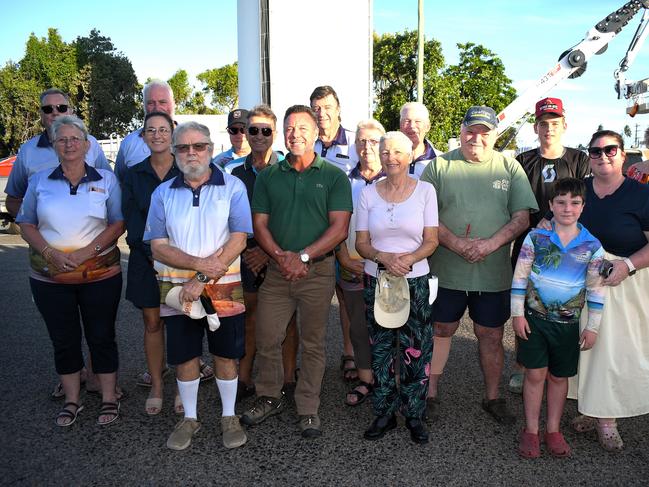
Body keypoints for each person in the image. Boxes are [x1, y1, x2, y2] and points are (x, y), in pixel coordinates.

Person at [419, 106, 538, 425]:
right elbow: (426, 217)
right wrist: (457, 244)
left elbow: (522, 217)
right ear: (461, 130)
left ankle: (493, 397)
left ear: (495, 135)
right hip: (446, 270)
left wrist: (489, 244)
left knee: (490, 334)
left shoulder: (510, 168)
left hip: (492, 273)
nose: (477, 138)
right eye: (471, 131)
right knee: (441, 330)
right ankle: (428, 394)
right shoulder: (439, 167)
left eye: (484, 132)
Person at [241, 105, 352, 438]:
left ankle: (307, 408)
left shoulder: (333, 176)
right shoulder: (269, 176)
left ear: (316, 133)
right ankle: (269, 396)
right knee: (267, 336)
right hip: (277, 272)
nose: (296, 134)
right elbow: (259, 224)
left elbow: (340, 228)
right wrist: (280, 256)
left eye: (303, 128)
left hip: (316, 273)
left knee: (314, 343)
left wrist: (302, 257)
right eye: (290, 128)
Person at [144, 121, 251, 450]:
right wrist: (197, 269)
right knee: (185, 356)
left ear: (211, 149)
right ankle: (190, 418)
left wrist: (201, 279)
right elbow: (158, 246)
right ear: (174, 153)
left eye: (199, 146)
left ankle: (228, 416)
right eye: (184, 148)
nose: (192, 153)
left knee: (225, 355)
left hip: (224, 287)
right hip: (177, 292)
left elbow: (239, 239)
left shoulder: (233, 187)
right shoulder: (162, 193)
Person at [16, 115, 124, 427]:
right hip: (50, 278)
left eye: (75, 139)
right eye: (62, 139)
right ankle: (72, 399)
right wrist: (49, 252)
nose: (69, 144)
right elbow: (26, 223)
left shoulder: (106, 179)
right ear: (54, 146)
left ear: (87, 145)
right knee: (63, 338)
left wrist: (86, 253)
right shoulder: (39, 181)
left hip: (101, 275)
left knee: (101, 336)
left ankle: (107, 397)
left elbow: (118, 222)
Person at [563, 130, 649, 452]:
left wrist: (628, 265)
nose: (603, 157)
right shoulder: (579, 189)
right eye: (595, 152)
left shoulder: (641, 194)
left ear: (623, 155)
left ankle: (608, 419)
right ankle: (589, 406)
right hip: (578, 280)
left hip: (622, 282)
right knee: (583, 348)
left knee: (611, 354)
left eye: (610, 150)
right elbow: (551, 224)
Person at [511, 178, 605, 458]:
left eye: (574, 202)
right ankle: (530, 430)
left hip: (567, 325)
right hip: (534, 320)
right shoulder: (536, 237)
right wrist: (517, 314)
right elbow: (520, 276)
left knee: (558, 377)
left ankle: (552, 429)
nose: (567, 208)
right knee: (535, 374)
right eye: (560, 202)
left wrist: (593, 326)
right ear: (550, 205)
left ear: (583, 207)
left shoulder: (592, 245)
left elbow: (596, 289)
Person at [355, 131, 438, 444]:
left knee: (417, 347)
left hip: (414, 278)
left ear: (410, 156)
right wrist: (383, 258)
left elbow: (432, 240)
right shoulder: (368, 194)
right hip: (377, 279)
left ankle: (415, 414)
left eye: (398, 152)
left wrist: (407, 259)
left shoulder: (425, 191)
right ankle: (385, 412)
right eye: (385, 151)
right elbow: (361, 243)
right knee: (382, 348)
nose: (390, 158)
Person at [508, 97, 591, 394]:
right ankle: (523, 365)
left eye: (555, 123)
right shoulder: (522, 161)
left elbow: (585, 199)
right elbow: (515, 203)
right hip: (530, 245)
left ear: (564, 125)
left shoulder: (580, 159)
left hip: (568, 249)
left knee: (565, 305)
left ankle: (561, 367)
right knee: (526, 305)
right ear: (535, 127)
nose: (549, 129)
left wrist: (551, 219)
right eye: (543, 123)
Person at [229, 105, 300, 399]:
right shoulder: (233, 175)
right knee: (249, 318)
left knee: (288, 320)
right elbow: (230, 220)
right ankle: (244, 376)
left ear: (275, 135)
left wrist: (270, 254)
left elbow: (295, 219)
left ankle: (288, 376)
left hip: (280, 255)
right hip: (245, 256)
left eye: (265, 131)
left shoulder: (289, 172)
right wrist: (250, 250)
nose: (258, 136)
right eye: (252, 130)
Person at [122, 111, 180, 415]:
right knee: (153, 322)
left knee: (183, 322)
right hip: (145, 260)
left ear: (173, 133)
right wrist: (151, 253)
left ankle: (184, 385)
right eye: (150, 130)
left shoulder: (186, 169)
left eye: (163, 129)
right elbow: (131, 220)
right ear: (143, 137)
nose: (157, 135)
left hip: (181, 260)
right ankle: (157, 384)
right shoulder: (133, 174)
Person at [310, 85, 358, 382]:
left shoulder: (355, 143)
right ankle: (312, 362)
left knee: (348, 299)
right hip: (313, 238)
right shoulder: (306, 142)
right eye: (316, 108)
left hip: (346, 236)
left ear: (338, 108)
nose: (322, 113)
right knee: (312, 302)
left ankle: (351, 355)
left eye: (327, 107)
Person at [336, 119, 386, 406]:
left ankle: (387, 379)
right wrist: (342, 256)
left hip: (388, 269)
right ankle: (367, 382)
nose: (367, 147)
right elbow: (336, 223)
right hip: (354, 265)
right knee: (358, 325)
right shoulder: (345, 180)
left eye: (373, 141)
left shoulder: (396, 179)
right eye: (361, 141)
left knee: (389, 325)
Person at [6, 88, 111, 218]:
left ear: (71, 111)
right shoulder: (28, 150)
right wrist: (33, 225)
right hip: (47, 238)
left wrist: (109, 234)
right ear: (41, 114)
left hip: (92, 236)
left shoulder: (91, 143)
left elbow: (110, 190)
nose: (55, 113)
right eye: (48, 109)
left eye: (61, 108)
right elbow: (12, 201)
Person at [114, 80, 176, 181]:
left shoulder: (190, 139)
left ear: (174, 103)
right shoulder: (129, 143)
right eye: (151, 103)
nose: (157, 108)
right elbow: (119, 182)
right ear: (144, 106)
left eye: (162, 102)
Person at [399, 102, 438, 179]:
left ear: (427, 126)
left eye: (417, 121)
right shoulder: (388, 160)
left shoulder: (440, 161)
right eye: (407, 121)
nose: (412, 126)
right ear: (400, 125)